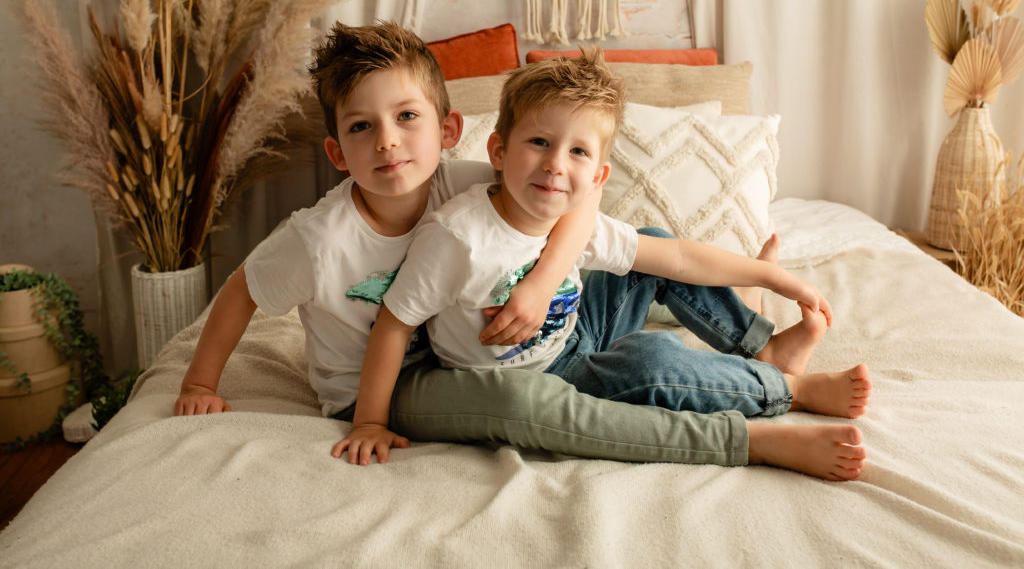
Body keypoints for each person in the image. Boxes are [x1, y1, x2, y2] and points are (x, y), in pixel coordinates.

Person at [175, 21, 785, 472]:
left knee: (649, 245)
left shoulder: (465, 181)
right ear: (337, 153)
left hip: (464, 344)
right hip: (388, 381)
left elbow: (580, 201)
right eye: (362, 127)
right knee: (521, 403)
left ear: (448, 131)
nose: (388, 142)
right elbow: (241, 291)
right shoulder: (318, 242)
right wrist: (202, 383)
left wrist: (543, 281)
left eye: (406, 117)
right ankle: (735, 432)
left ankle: (763, 344)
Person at [340, 47, 871, 481]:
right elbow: (394, 322)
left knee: (653, 244)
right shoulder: (458, 239)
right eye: (540, 143)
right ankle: (789, 389)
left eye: (577, 153)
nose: (554, 164)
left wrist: (768, 274)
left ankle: (766, 347)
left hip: (579, 326)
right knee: (652, 360)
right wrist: (368, 421)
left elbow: (679, 256)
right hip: (547, 372)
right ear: (498, 150)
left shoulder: (575, 216)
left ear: (598, 176)